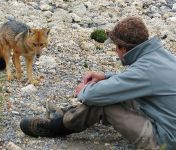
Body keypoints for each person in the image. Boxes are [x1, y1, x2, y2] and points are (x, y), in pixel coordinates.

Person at [20, 16, 176, 150]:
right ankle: (69, 113)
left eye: (116, 47)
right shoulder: (160, 56)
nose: (115, 51)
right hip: (167, 125)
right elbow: (137, 80)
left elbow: (94, 95)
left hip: (164, 141)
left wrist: (85, 89)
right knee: (114, 92)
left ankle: (57, 127)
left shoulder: (145, 70)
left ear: (124, 48)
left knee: (103, 101)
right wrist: (106, 76)